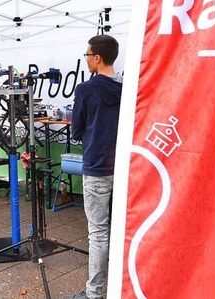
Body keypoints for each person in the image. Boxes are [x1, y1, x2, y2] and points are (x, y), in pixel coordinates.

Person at [67, 35, 122, 299]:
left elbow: (76, 130)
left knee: (98, 233)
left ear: (97, 58)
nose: (86, 59)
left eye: (87, 55)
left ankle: (95, 293)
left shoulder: (86, 90)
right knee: (122, 228)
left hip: (97, 168)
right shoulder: (127, 88)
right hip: (124, 169)